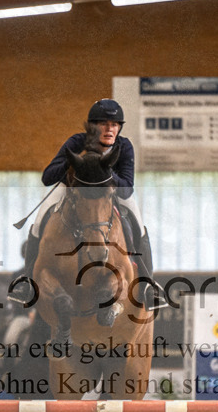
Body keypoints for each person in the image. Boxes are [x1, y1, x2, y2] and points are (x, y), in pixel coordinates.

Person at [10, 98, 167, 310]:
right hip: (74, 189)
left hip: (109, 192)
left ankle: (148, 285)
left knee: (138, 223)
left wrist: (104, 172)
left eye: (114, 125)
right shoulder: (77, 141)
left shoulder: (124, 146)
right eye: (104, 124)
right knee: (39, 221)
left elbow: (126, 188)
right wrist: (74, 163)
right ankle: (27, 281)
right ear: (93, 126)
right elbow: (47, 177)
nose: (110, 129)